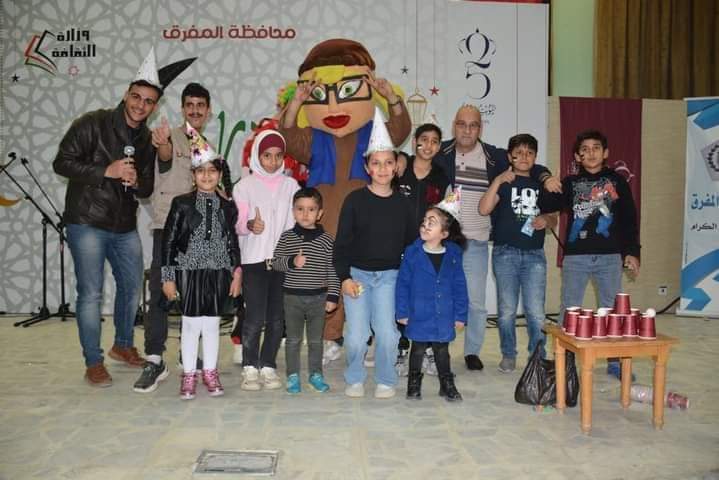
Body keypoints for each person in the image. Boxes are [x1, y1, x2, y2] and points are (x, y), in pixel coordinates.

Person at [279, 39, 412, 363]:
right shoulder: (314, 138)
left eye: (348, 91)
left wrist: (392, 98)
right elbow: (289, 137)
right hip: (325, 224)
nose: (335, 106)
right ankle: (330, 337)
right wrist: (296, 103)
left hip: (365, 224)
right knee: (329, 278)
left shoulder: (372, 134)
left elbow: (399, 129)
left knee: (366, 279)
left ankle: (370, 337)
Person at [53, 50, 162, 387]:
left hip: (124, 225)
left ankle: (123, 345)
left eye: (148, 101)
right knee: (91, 294)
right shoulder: (92, 123)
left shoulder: (146, 140)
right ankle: (93, 361)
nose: (140, 105)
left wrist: (137, 181)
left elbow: (147, 187)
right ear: (126, 95)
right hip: (86, 220)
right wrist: (106, 171)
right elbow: (62, 163)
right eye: (136, 97)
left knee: (132, 287)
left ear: (154, 106)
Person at [432, 104, 560, 371]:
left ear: (481, 128)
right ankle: (435, 351)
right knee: (438, 298)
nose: (467, 130)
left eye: (473, 125)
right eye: (462, 124)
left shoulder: (495, 156)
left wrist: (546, 176)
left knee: (476, 302)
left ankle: (472, 351)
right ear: (454, 126)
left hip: (476, 241)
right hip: (443, 241)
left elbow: (528, 165)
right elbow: (418, 164)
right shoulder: (440, 152)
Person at [135, 82, 231, 393]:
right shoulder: (170, 138)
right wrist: (162, 143)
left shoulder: (209, 147)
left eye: (200, 105)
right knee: (161, 293)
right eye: (189, 105)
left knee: (196, 296)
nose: (195, 110)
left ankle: (186, 355)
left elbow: (218, 193)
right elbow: (164, 156)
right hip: (168, 227)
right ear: (182, 108)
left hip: (200, 237)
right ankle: (154, 359)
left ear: (209, 111)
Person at [333, 108, 416, 399]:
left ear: (396, 166)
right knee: (357, 336)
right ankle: (354, 377)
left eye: (388, 163)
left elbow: (412, 246)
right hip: (357, 276)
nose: (382, 169)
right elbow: (341, 245)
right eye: (376, 163)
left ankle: (385, 378)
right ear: (367, 167)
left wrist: (410, 281)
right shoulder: (354, 201)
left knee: (387, 333)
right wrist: (344, 278)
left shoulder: (404, 205)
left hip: (390, 277)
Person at [160, 127, 242, 400]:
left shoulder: (227, 206)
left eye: (212, 171)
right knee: (190, 324)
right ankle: (189, 374)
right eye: (201, 171)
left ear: (219, 174)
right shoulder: (181, 204)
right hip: (190, 271)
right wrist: (168, 277)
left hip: (218, 272)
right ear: (193, 175)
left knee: (212, 324)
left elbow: (232, 241)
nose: (207, 176)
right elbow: (168, 242)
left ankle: (210, 371)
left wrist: (237, 273)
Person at [559, 129, 640, 379]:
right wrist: (547, 181)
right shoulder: (569, 183)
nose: (591, 153)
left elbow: (629, 220)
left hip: (610, 256)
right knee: (569, 308)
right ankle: (565, 361)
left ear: (605, 153)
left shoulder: (618, 182)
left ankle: (615, 362)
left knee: (612, 309)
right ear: (577, 156)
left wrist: (632, 252)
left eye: (596, 148)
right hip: (576, 257)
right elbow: (549, 205)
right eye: (585, 149)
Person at [479, 134, 561, 372]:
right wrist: (498, 181)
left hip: (535, 255)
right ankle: (508, 354)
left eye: (529, 153)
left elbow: (554, 219)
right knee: (506, 311)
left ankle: (538, 356)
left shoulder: (541, 182)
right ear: (509, 156)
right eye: (519, 152)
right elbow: (483, 209)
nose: (524, 157)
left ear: (535, 157)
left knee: (536, 312)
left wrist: (546, 220)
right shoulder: (504, 181)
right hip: (505, 253)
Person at [233, 129, 300, 391]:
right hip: (254, 260)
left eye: (278, 155)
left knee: (276, 317)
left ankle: (268, 364)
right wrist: (250, 225)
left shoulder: (291, 186)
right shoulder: (244, 186)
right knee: (254, 316)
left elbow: (296, 223)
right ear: (257, 156)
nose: (272, 161)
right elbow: (237, 224)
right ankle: (250, 366)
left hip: (281, 261)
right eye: (267, 155)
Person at [396, 192, 468, 402]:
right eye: (425, 221)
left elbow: (460, 286)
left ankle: (446, 384)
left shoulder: (453, 255)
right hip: (419, 311)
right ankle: (414, 382)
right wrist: (402, 311)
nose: (425, 225)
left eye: (432, 222)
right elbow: (402, 284)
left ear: (444, 233)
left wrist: (460, 315)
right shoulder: (412, 253)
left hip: (444, 313)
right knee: (417, 349)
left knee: (442, 350)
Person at [272, 188, 340, 394]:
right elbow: (275, 263)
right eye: (300, 209)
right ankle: (292, 375)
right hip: (292, 298)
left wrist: (333, 295)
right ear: (293, 211)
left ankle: (315, 374)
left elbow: (333, 270)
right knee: (293, 340)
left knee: (316, 341)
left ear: (320, 213)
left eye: (311, 209)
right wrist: (292, 262)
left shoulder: (327, 240)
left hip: (318, 298)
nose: (305, 214)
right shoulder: (287, 237)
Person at [396, 123, 450, 376]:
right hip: (397, 246)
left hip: (426, 249)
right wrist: (399, 157)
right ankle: (401, 348)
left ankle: (427, 349)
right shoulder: (400, 168)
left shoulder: (441, 176)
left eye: (434, 141)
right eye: (424, 139)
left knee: (425, 300)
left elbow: (445, 214)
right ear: (414, 141)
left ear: (439, 147)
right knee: (400, 299)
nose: (428, 145)